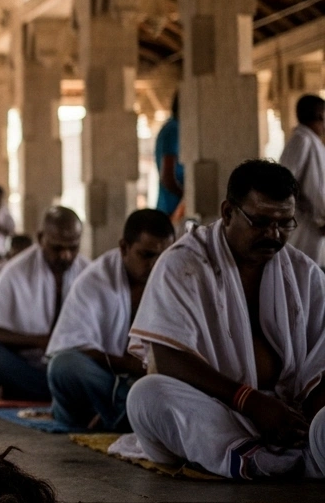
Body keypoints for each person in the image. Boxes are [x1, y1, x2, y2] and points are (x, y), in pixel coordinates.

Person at [127, 160, 325, 479]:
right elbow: (166, 358)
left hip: (291, 418)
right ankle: (260, 462)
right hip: (218, 411)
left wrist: (305, 422)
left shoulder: (305, 274)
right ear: (228, 212)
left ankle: (310, 451)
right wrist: (249, 401)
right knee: (146, 395)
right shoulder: (182, 263)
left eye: (285, 224)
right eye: (260, 222)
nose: (273, 235)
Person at [45, 210, 174, 431]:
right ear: (124, 247)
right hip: (106, 381)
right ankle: (130, 415)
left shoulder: (174, 278)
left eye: (162, 256)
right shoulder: (95, 279)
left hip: (153, 383)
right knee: (63, 366)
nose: (155, 264)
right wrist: (135, 367)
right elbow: (75, 347)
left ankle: (115, 416)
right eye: (146, 255)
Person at [0, 207, 90, 401]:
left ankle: (33, 391)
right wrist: (39, 341)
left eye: (73, 248)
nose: (66, 255)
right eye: (57, 248)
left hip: (75, 365)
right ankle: (62, 394)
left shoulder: (90, 273)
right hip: (29, 365)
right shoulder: (16, 271)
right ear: (40, 238)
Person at [278, 94, 325, 265]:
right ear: (320, 115)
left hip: (316, 226)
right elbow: (285, 184)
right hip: (304, 224)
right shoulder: (301, 140)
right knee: (302, 271)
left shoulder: (314, 142)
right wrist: (312, 215)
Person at [154, 94, 184, 217]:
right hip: (172, 208)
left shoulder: (169, 128)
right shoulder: (174, 130)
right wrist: (186, 196)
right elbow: (167, 176)